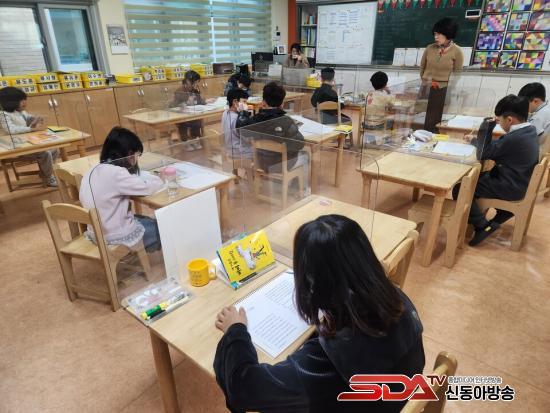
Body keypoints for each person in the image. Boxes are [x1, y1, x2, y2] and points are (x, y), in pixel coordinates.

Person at [214, 214, 425, 413]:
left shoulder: (325, 363)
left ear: (314, 283)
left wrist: (236, 330)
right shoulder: (397, 300)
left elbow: (243, 389)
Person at [460, 95, 539, 246]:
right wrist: (475, 141)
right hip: (520, 182)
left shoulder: (513, 138)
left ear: (509, 120)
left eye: (500, 120)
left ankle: (482, 226)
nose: (499, 123)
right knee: (479, 178)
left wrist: (486, 127)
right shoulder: (529, 131)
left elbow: (483, 154)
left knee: (461, 187)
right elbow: (496, 149)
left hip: (510, 186)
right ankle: (501, 216)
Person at [79, 127, 164, 252]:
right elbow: (146, 188)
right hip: (115, 236)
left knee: (147, 219)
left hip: (95, 232)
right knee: (165, 227)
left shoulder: (93, 169)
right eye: (136, 154)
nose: (136, 159)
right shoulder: (116, 173)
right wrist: (161, 178)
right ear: (129, 153)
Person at [236, 82, 306, 173]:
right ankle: (292, 181)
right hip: (281, 165)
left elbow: (240, 129)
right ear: (282, 103)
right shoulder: (286, 121)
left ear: (263, 102)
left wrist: (243, 113)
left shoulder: (256, 119)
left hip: (261, 162)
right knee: (305, 156)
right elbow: (300, 144)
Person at [0, 86, 59, 187]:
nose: (25, 102)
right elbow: (10, 129)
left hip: (27, 142)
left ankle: (45, 173)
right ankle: (49, 177)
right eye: (21, 100)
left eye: (24, 100)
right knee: (45, 153)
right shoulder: (3, 114)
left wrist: (36, 119)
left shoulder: (21, 112)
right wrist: (30, 129)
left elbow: (28, 119)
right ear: (10, 102)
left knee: (54, 149)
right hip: (16, 146)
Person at [420, 18, 464, 132]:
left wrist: (449, 87)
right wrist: (424, 82)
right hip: (427, 87)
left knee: (437, 119)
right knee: (422, 117)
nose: (435, 37)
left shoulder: (457, 51)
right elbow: (422, 67)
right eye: (434, 34)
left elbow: (457, 73)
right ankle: (422, 137)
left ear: (448, 34)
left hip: (443, 89)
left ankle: (434, 138)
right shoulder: (430, 48)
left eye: (438, 34)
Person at [172, 70, 215, 149]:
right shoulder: (179, 91)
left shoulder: (195, 89)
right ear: (187, 81)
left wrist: (205, 101)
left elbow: (199, 100)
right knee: (184, 123)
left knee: (197, 121)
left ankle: (195, 139)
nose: (196, 84)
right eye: (194, 82)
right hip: (182, 115)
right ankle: (185, 141)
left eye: (197, 82)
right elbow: (174, 105)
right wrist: (185, 103)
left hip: (193, 113)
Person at [221, 88, 252, 160]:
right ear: (235, 102)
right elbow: (247, 139)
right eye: (244, 102)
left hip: (229, 150)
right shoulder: (236, 119)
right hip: (240, 153)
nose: (246, 105)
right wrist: (244, 114)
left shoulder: (225, 112)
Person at [518, 82, 550, 149]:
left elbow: (527, 139)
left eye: (525, 103)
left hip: (539, 151)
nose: (523, 106)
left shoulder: (539, 116)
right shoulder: (546, 108)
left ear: (535, 101)